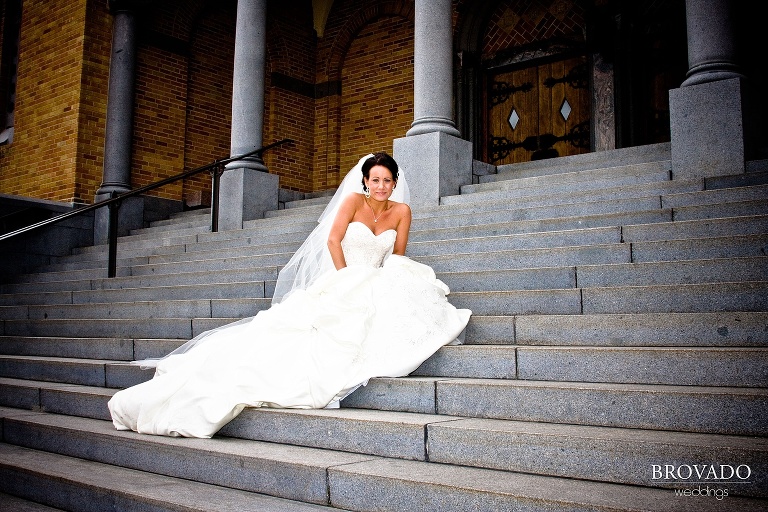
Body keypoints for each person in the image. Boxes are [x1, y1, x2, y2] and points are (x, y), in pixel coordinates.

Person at [108, 152, 472, 438]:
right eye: (374, 179)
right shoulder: (351, 203)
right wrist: (345, 280)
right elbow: (332, 240)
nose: (380, 186)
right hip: (344, 276)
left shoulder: (402, 211)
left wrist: (395, 283)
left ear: (395, 184)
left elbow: (398, 255)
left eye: (387, 181)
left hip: (376, 279)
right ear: (365, 181)